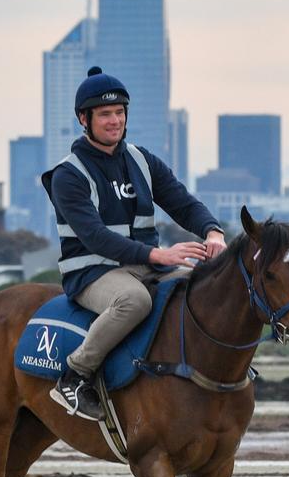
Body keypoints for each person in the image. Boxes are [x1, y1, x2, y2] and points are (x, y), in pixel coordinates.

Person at [41, 66, 226, 421]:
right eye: (105, 114)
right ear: (84, 119)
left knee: (203, 288)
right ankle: (75, 375)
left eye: (120, 113)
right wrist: (159, 254)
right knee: (134, 300)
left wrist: (212, 231)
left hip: (147, 265)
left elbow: (184, 203)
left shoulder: (143, 160)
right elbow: (94, 236)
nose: (114, 121)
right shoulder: (68, 174)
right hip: (93, 272)